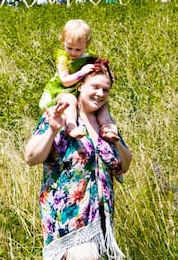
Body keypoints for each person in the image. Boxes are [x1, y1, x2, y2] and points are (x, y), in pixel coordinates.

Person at [25, 58, 132, 260]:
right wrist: (53, 130)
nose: (100, 94)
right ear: (81, 85)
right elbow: (31, 157)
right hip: (68, 217)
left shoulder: (105, 123)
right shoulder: (63, 116)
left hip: (101, 221)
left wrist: (116, 141)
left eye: (105, 90)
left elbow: (124, 165)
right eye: (95, 87)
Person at [38, 20, 114, 138]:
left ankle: (107, 128)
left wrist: (107, 73)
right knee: (70, 100)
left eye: (78, 49)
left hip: (80, 89)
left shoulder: (87, 57)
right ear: (63, 41)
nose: (73, 52)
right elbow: (65, 80)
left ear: (86, 45)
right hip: (62, 90)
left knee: (102, 104)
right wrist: (81, 73)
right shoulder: (63, 57)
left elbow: (99, 66)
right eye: (69, 48)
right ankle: (72, 127)